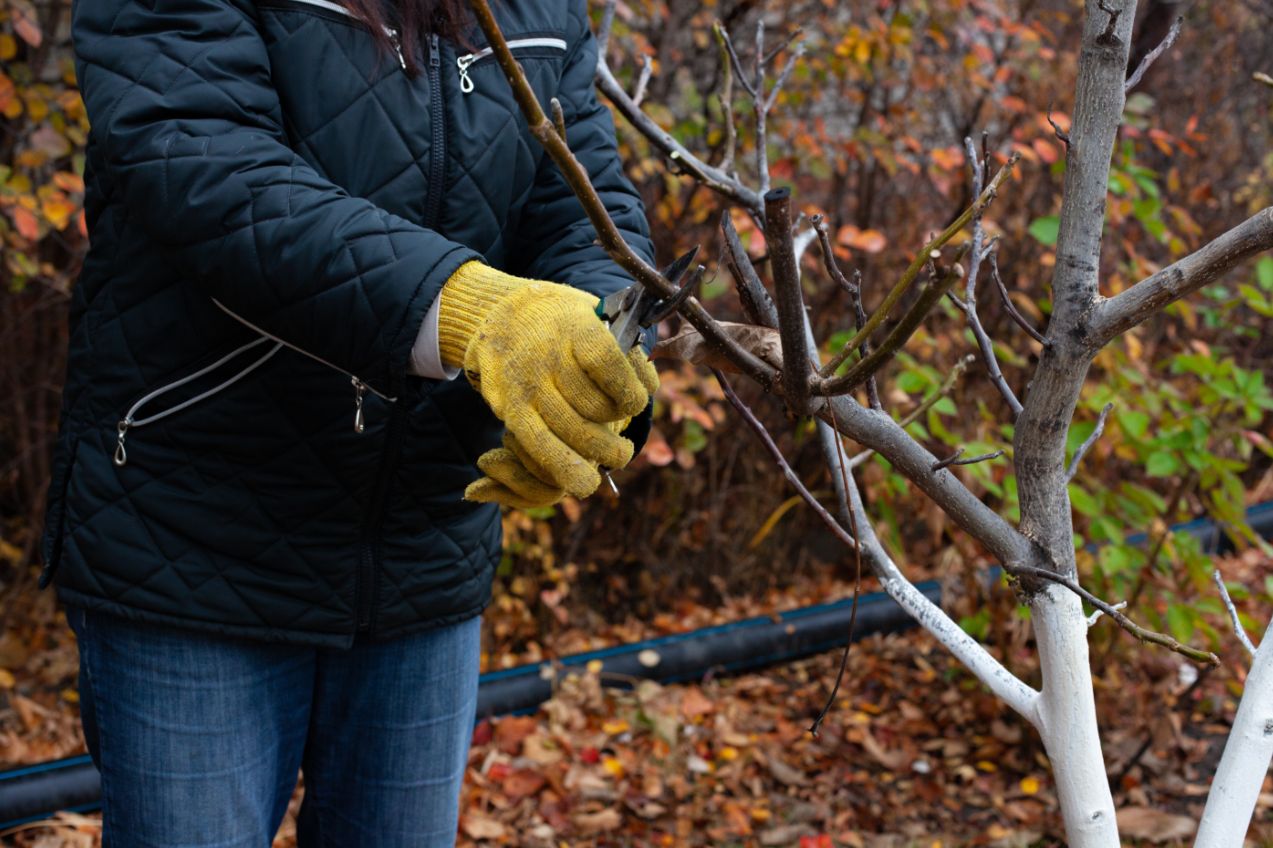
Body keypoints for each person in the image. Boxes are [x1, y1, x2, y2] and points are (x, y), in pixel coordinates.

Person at [40, 0, 658, 844]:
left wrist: (593, 363)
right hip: (194, 546)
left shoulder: (538, 7)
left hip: (424, 546)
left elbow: (585, 210)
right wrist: (473, 313)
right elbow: (213, 178)